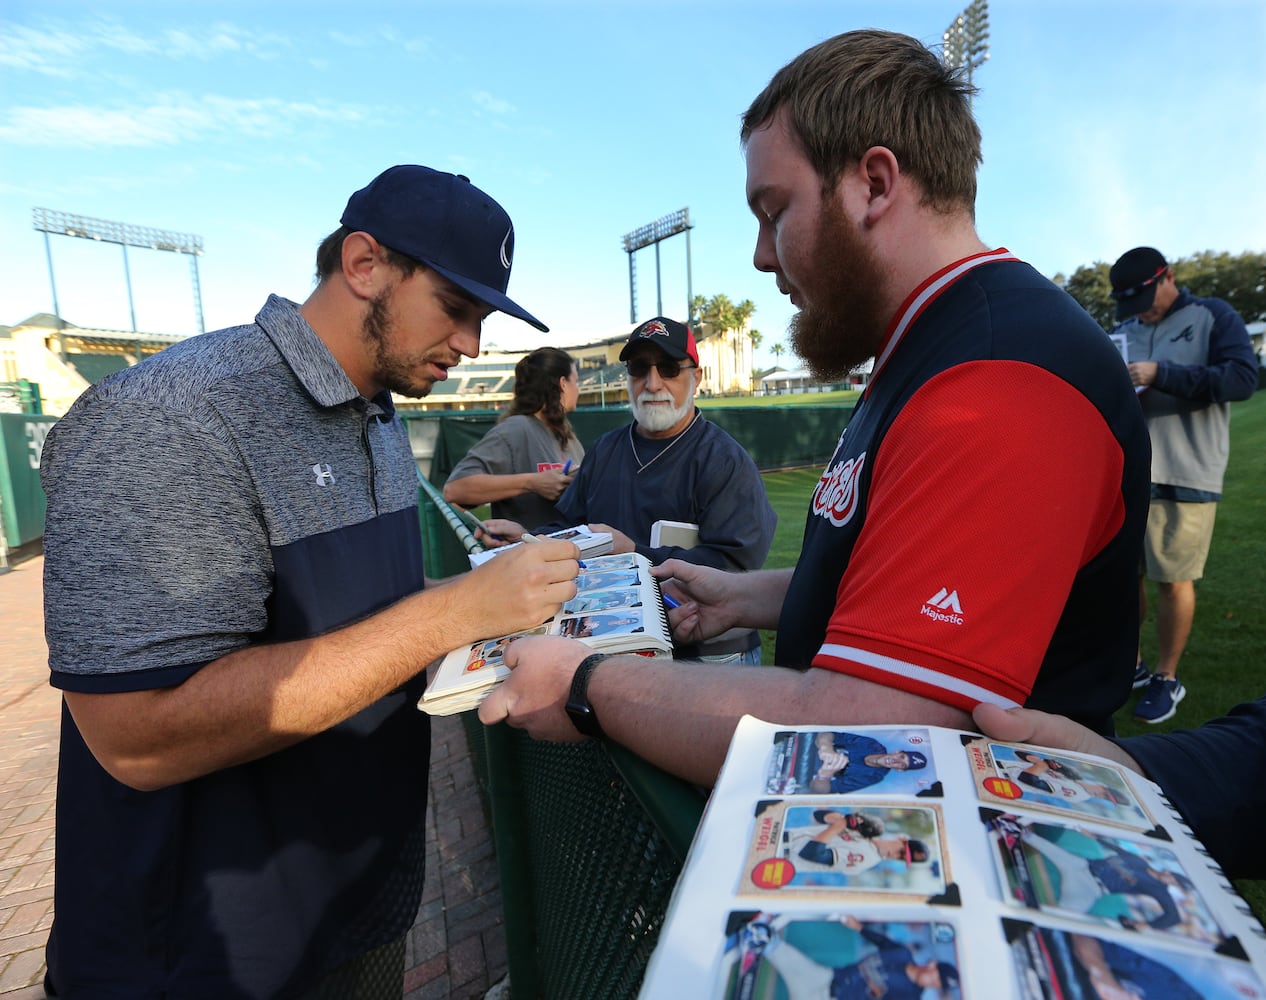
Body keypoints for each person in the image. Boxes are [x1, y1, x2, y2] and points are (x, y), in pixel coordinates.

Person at [478, 30, 1149, 786]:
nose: (763, 255)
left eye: (774, 210)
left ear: (873, 184)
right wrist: (743, 596)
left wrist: (585, 684)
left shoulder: (998, 375)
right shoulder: (934, 344)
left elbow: (869, 735)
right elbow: (890, 590)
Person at [38, 165, 582, 998]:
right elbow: (135, 736)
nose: (472, 344)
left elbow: (357, 629)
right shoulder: (168, 414)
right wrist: (450, 612)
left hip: (360, 910)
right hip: (206, 956)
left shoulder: (383, 408)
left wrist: (487, 616)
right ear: (364, 265)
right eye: (456, 308)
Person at [546, 315, 778, 662]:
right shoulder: (606, 448)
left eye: (668, 368)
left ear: (695, 378)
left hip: (707, 652)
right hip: (613, 643)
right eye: (640, 369)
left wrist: (634, 555)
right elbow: (570, 525)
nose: (652, 383)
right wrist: (525, 539)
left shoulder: (723, 458)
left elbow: (735, 567)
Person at [1108, 246, 1257, 724]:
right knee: (1122, 579)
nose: (1142, 312)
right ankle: (1131, 665)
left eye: (1148, 298)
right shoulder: (1125, 331)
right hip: (1130, 472)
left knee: (1172, 580)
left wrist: (1162, 374)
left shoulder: (1214, 315)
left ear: (1168, 277)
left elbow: (1241, 378)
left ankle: (1167, 678)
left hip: (1186, 471)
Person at [972, 699, 1266, 881]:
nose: (1101, 790)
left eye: (1104, 793)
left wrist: (1037, 766)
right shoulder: (1077, 773)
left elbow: (1029, 783)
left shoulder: (1078, 795)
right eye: (1105, 789)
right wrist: (1135, 768)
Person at [442, 346, 584, 529]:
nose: (578, 390)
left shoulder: (568, 435)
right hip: (528, 553)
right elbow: (455, 490)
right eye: (576, 381)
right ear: (563, 384)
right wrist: (533, 483)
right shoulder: (515, 429)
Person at [736, 914, 959, 1000]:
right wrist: (858, 927)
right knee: (769, 942)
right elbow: (882, 942)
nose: (933, 983)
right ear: (932, 964)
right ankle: (750, 936)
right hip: (822, 978)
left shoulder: (910, 996)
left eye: (938, 985)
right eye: (936, 977)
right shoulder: (902, 953)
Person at [809, 730, 927, 794]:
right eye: (901, 756)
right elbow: (826, 734)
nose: (895, 760)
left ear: (899, 770)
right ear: (897, 752)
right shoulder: (872, 745)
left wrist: (825, 775)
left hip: (807, 772)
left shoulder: (874, 777)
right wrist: (826, 747)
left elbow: (823, 791)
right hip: (808, 747)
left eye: (902, 764)